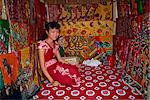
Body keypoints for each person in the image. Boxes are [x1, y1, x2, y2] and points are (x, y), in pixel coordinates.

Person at [37, 21, 81, 86]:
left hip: (56, 65)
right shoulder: (42, 45)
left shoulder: (55, 44)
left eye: (57, 32)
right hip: (48, 69)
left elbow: (60, 59)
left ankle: (64, 73)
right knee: (68, 80)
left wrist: (71, 65)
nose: (56, 34)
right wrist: (52, 81)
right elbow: (42, 66)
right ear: (47, 32)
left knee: (74, 70)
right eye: (53, 32)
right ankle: (58, 78)